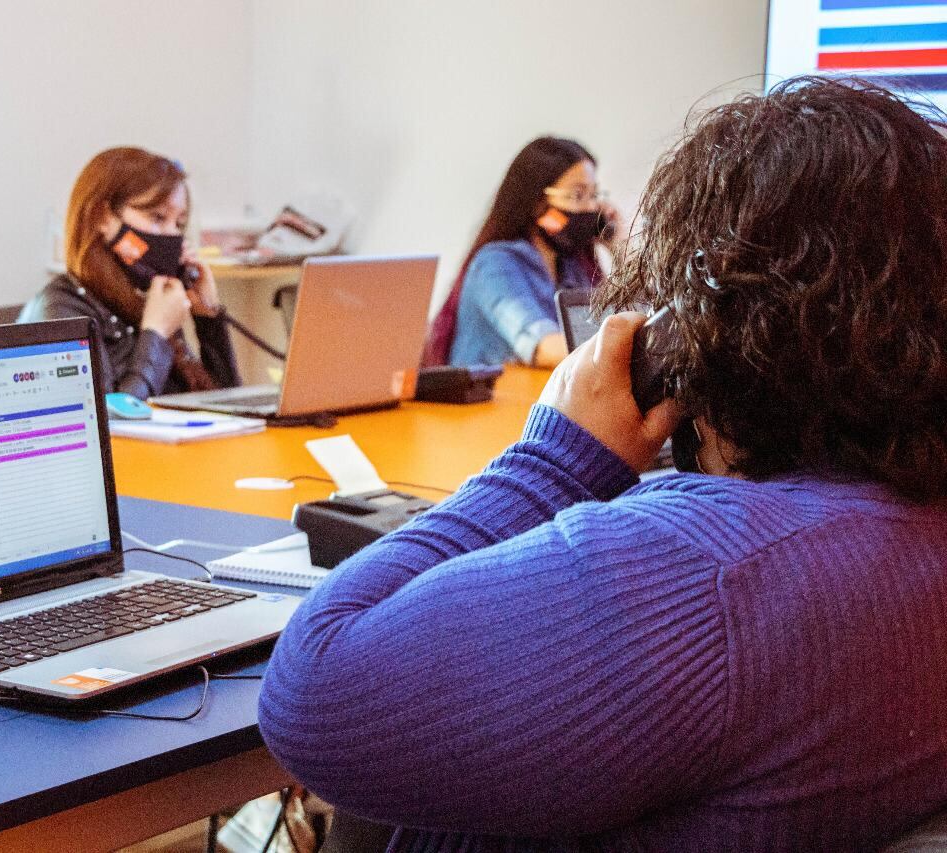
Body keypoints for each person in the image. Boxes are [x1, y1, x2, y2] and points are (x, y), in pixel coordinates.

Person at [259, 77, 947, 852]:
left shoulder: (708, 572)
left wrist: (552, 463)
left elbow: (311, 697)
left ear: (699, 321)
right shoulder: (905, 531)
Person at [19, 147, 239, 398]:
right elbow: (111, 426)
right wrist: (155, 334)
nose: (173, 236)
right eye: (157, 217)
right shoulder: (61, 310)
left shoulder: (143, 297)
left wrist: (208, 318)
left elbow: (233, 411)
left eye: (178, 223)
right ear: (101, 217)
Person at [424, 136, 620, 369]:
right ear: (537, 203)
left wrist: (618, 246)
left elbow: (619, 319)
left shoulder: (572, 266)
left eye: (594, 195)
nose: (591, 208)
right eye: (578, 195)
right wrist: (621, 343)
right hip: (485, 404)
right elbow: (545, 349)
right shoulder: (494, 264)